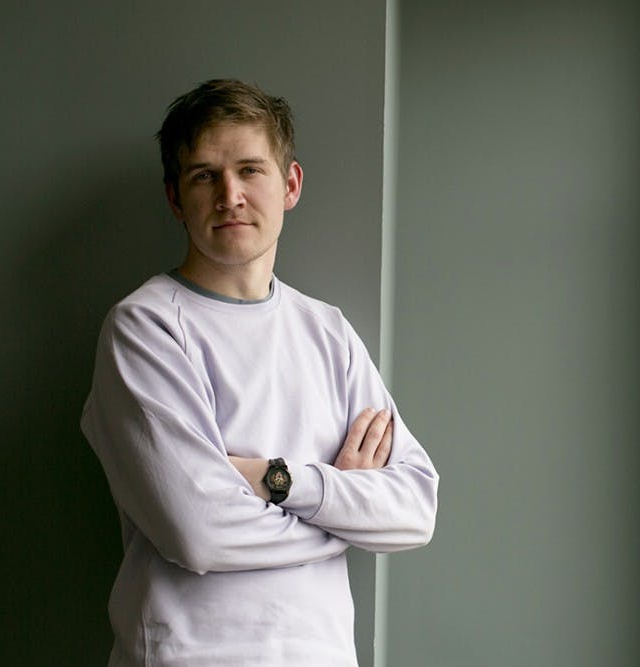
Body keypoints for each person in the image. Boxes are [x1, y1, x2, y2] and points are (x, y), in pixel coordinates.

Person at [81, 79, 438, 667]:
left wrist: (274, 479)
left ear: (290, 184)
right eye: (204, 176)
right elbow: (198, 531)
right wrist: (344, 509)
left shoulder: (329, 332)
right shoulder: (144, 329)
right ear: (175, 197)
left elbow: (414, 508)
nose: (230, 195)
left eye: (251, 170)